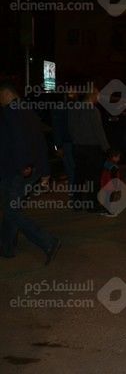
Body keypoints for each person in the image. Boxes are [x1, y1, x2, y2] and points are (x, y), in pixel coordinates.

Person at [0, 82, 60, 263]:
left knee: (12, 211)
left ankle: (48, 241)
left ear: (6, 95)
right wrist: (45, 172)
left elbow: (15, 142)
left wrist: (22, 165)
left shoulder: (10, 113)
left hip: (15, 171)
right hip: (29, 170)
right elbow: (40, 142)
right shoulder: (29, 112)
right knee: (11, 209)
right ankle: (6, 247)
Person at [68, 89, 111, 212]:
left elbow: (70, 128)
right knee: (94, 178)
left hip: (78, 147)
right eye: (98, 95)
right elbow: (98, 131)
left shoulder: (73, 109)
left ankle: (77, 203)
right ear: (93, 95)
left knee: (79, 176)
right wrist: (106, 148)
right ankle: (92, 205)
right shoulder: (93, 110)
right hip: (92, 148)